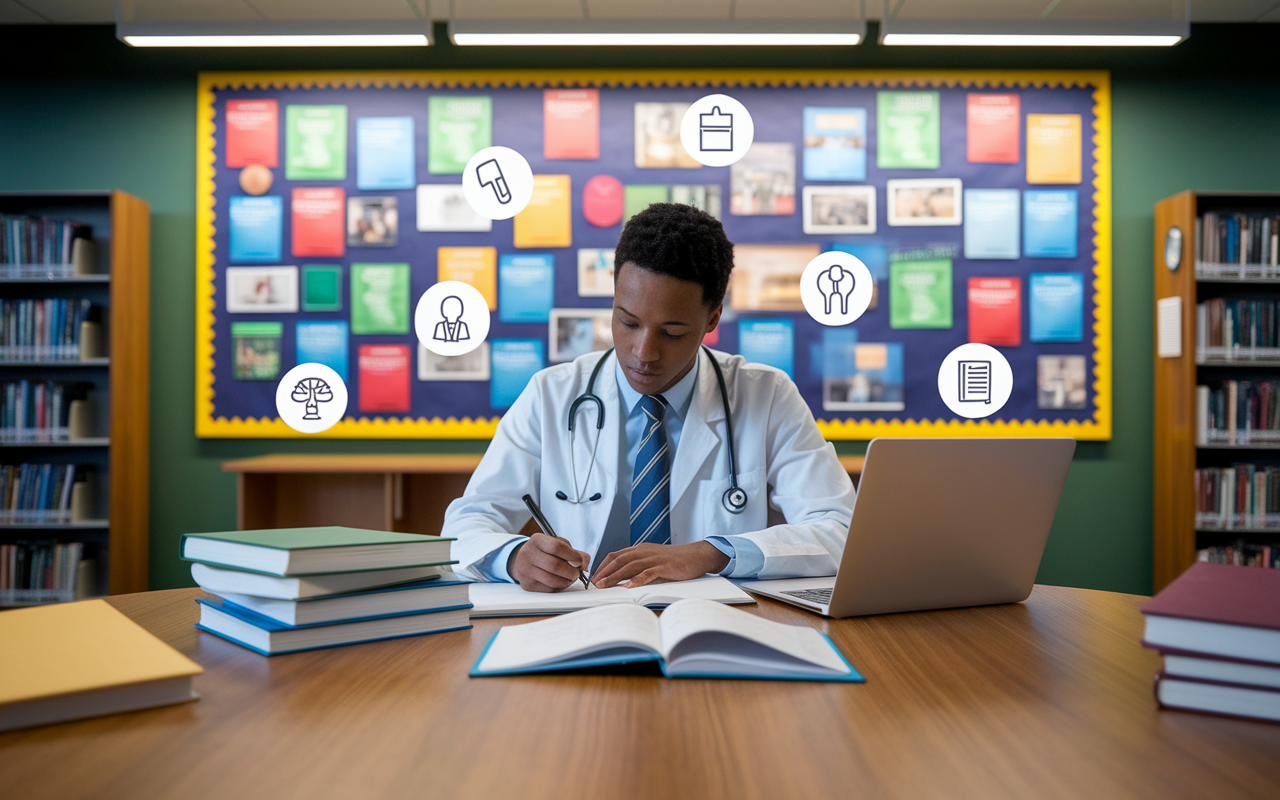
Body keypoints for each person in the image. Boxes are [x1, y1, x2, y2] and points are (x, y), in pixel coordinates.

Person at [444, 203, 855, 592]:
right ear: (614, 297)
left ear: (712, 318)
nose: (643, 353)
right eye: (628, 322)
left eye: (672, 332)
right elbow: (465, 526)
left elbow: (839, 529)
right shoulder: (551, 395)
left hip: (715, 624)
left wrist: (712, 553)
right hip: (577, 623)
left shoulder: (766, 396)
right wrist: (514, 558)